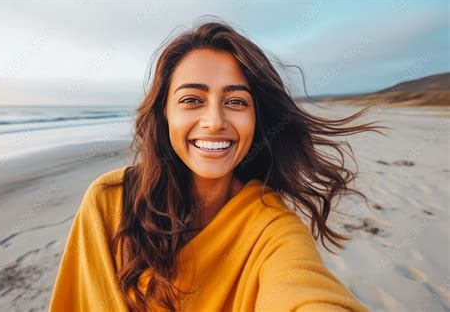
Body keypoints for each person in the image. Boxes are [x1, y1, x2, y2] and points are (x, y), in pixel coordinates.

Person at [49, 18, 383, 311]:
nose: (214, 121)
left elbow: (304, 290)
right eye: (192, 100)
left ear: (257, 117)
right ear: (164, 113)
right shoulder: (110, 201)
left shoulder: (271, 228)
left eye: (236, 101)